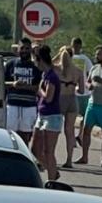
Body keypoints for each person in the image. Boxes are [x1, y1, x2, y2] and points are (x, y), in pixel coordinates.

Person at [32, 45, 62, 181]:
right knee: (35, 149)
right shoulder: (44, 74)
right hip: (41, 115)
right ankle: (53, 171)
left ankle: (51, 180)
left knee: (48, 151)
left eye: (35, 60)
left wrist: (39, 90)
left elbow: (49, 97)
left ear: (40, 60)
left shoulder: (52, 77)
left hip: (52, 116)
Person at [4, 38, 41, 145]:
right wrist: (13, 84)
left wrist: (25, 87)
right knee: (10, 134)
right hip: (12, 105)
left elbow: (39, 86)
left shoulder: (36, 66)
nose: (24, 50)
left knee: (26, 134)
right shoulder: (11, 64)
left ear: (31, 50)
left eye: (27, 48)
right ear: (18, 49)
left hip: (29, 105)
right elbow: (2, 83)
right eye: (22, 48)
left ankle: (24, 154)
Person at [54, 46, 84, 168]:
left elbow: (44, 64)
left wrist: (57, 55)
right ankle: (69, 159)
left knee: (54, 130)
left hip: (60, 99)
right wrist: (73, 86)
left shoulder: (56, 69)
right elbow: (81, 91)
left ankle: (52, 157)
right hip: (72, 100)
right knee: (70, 131)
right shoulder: (78, 71)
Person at [70, 37, 94, 145]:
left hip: (83, 92)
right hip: (73, 92)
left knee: (83, 118)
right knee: (72, 117)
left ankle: (79, 135)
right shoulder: (69, 57)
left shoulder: (84, 59)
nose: (75, 47)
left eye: (76, 45)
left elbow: (90, 73)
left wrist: (89, 84)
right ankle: (74, 138)